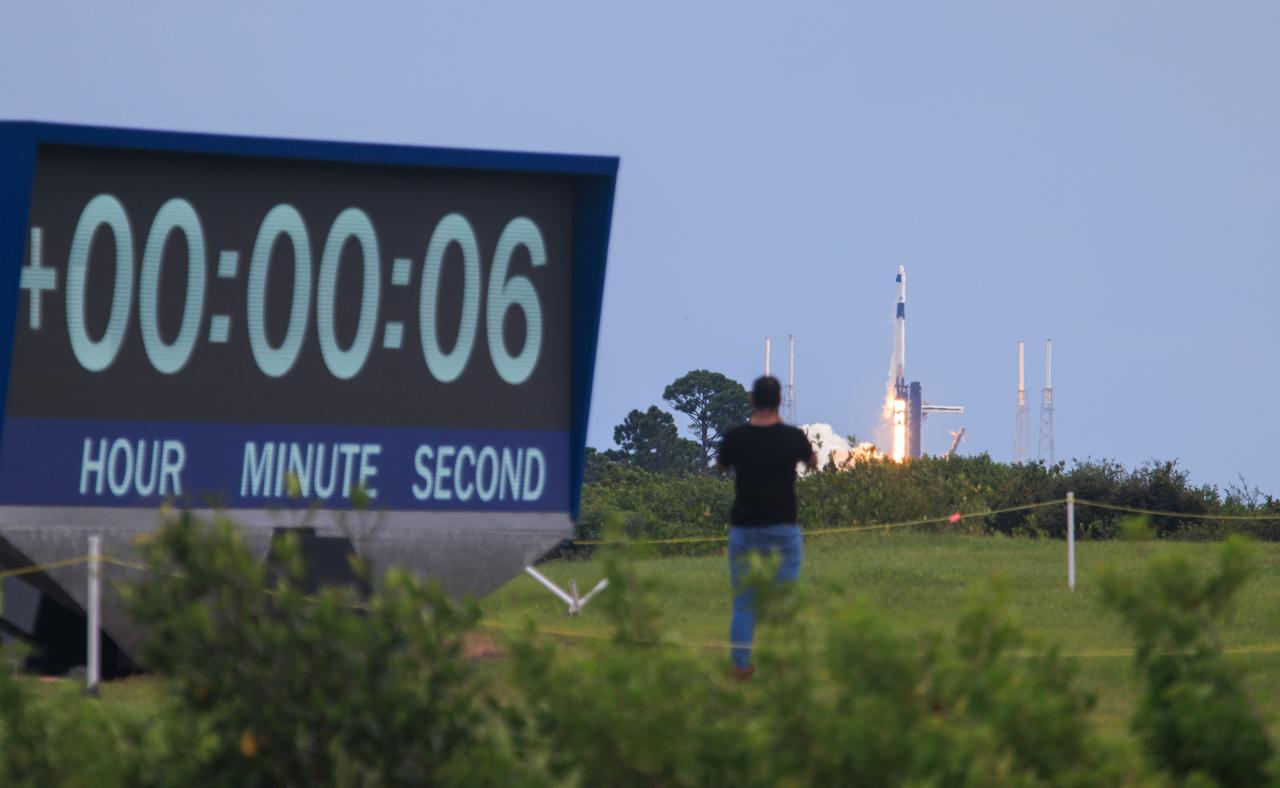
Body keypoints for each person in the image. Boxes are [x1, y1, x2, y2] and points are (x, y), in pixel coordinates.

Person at [715, 375, 817, 679]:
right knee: (786, 600)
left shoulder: (737, 437)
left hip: (744, 528)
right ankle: (784, 664)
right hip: (783, 528)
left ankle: (740, 666)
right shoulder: (792, 437)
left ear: (751, 400)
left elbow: (721, 465)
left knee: (744, 603)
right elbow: (812, 462)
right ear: (779, 400)